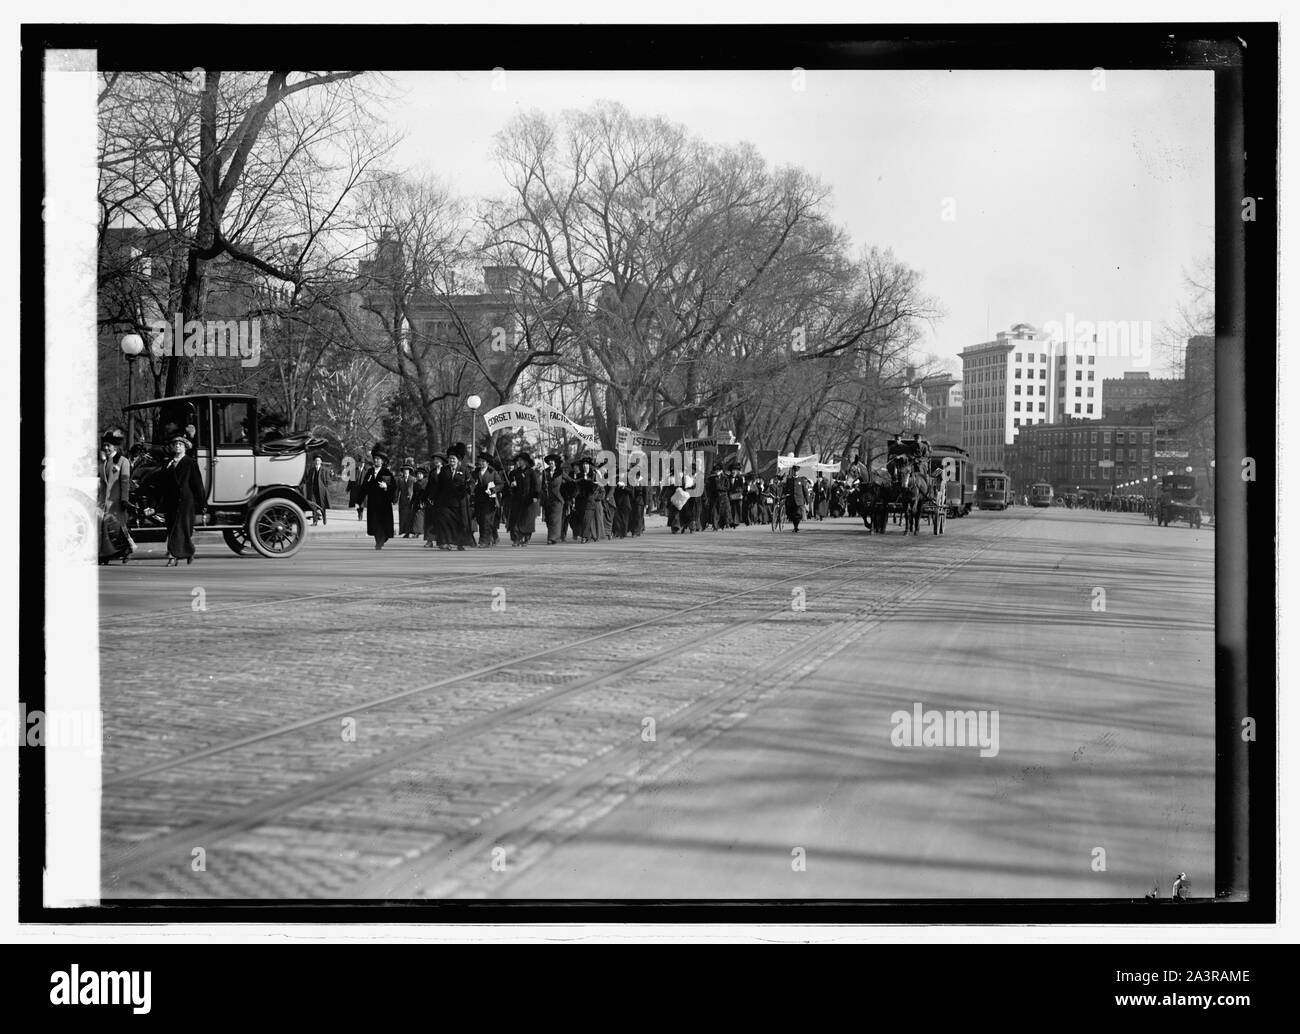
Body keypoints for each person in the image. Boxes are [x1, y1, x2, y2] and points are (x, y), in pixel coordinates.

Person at [159, 434, 206, 565]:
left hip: (185, 501)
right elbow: (162, 484)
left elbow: (197, 484)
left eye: (180, 444)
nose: (177, 446)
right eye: (175, 444)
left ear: (185, 447)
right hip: (170, 501)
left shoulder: (190, 462)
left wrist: (202, 503)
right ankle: (188, 551)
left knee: (181, 528)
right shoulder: (168, 463)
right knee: (172, 528)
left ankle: (173, 555)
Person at [98, 429, 134, 564]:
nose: (106, 448)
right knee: (105, 528)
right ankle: (106, 554)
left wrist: (124, 499)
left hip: (117, 501)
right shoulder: (103, 462)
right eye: (105, 445)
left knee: (118, 527)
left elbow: (125, 482)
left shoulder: (123, 461)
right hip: (104, 501)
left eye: (109, 445)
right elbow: (102, 483)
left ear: (115, 447)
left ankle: (126, 549)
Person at [432, 445, 476, 551]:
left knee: (460, 523)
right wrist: (433, 497)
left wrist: (468, 486)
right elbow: (439, 485)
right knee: (445, 523)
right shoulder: (444, 470)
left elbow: (472, 483)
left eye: (454, 458)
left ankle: (460, 543)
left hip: (459, 502)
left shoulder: (464, 470)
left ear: (458, 460)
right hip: (445, 502)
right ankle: (445, 543)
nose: (451, 460)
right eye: (450, 458)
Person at [356, 445, 396, 549]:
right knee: (374, 524)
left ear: (382, 461)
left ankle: (381, 540)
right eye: (375, 459)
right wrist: (358, 501)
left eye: (378, 459)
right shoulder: (369, 472)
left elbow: (393, 487)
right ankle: (379, 541)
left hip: (383, 504)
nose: (376, 460)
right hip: (373, 503)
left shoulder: (386, 473)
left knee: (382, 524)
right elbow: (364, 487)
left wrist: (386, 486)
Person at [506, 452, 540, 546]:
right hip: (517, 500)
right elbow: (510, 485)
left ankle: (527, 538)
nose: (519, 462)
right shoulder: (515, 472)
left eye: (521, 460)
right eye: (518, 460)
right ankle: (516, 539)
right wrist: (512, 485)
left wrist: (535, 496)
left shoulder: (531, 472)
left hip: (528, 500)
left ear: (525, 461)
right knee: (516, 521)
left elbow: (536, 485)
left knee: (527, 521)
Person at [472, 455, 502, 548]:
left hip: (489, 500)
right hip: (478, 500)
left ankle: (484, 541)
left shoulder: (493, 472)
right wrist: (473, 484)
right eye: (480, 461)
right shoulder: (475, 472)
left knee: (486, 519)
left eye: (483, 461)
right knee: (481, 520)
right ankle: (494, 536)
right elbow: (471, 482)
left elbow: (500, 484)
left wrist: (493, 489)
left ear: (488, 463)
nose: (481, 463)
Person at [541, 454, 568, 544]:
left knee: (554, 518)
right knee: (549, 519)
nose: (551, 462)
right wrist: (545, 486)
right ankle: (555, 536)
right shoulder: (545, 472)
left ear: (555, 462)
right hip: (548, 499)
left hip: (558, 499)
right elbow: (542, 486)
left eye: (552, 461)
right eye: (549, 461)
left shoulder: (560, 472)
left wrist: (566, 492)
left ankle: (552, 538)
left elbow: (570, 482)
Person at [302, 454, 332, 526]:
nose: (317, 461)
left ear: (321, 461)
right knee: (313, 506)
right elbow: (308, 479)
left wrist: (325, 487)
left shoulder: (325, 470)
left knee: (322, 505)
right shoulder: (311, 470)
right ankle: (315, 521)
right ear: (314, 461)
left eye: (318, 460)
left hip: (321, 491)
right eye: (315, 460)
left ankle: (324, 516)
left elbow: (328, 480)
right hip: (313, 490)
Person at [783, 464, 810, 533]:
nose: (795, 472)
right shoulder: (789, 480)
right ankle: (795, 527)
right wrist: (785, 494)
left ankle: (796, 526)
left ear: (798, 472)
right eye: (794, 471)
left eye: (797, 471)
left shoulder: (801, 480)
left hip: (799, 500)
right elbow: (786, 489)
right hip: (791, 500)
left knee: (798, 514)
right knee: (793, 515)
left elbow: (805, 491)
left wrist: (807, 500)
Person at [396, 458, 418, 537]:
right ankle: (406, 532)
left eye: (407, 470)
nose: (405, 471)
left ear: (409, 471)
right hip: (402, 500)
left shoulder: (413, 479)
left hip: (411, 500)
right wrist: (395, 499)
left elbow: (416, 490)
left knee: (411, 516)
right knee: (403, 516)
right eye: (404, 470)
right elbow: (397, 490)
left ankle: (413, 532)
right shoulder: (400, 479)